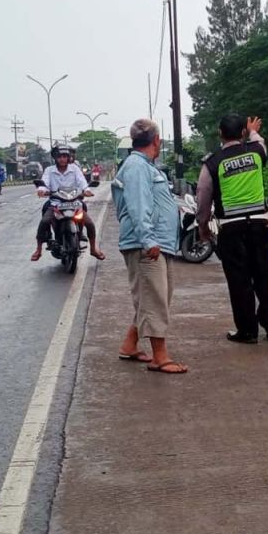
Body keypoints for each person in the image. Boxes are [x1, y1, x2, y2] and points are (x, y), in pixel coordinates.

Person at [197, 114, 268, 343]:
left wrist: (203, 227)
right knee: (264, 274)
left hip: (231, 229)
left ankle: (247, 331)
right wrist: (253, 130)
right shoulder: (256, 152)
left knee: (239, 280)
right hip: (260, 223)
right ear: (243, 133)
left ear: (220, 134)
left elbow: (203, 198)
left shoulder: (212, 162)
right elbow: (260, 141)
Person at [114, 119, 186, 374]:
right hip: (147, 243)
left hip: (159, 242)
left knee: (156, 297)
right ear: (157, 140)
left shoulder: (145, 166)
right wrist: (148, 239)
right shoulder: (136, 166)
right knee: (154, 298)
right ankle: (160, 357)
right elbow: (138, 204)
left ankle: (130, 345)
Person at [32, 146, 105, 261]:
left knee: (90, 224)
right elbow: (44, 182)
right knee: (44, 221)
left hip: (74, 202)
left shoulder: (75, 169)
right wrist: (42, 190)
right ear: (55, 158)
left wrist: (87, 190)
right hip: (56, 203)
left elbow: (82, 182)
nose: (62, 159)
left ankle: (93, 249)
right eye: (60, 157)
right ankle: (39, 249)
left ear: (68, 158)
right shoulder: (49, 170)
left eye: (65, 156)